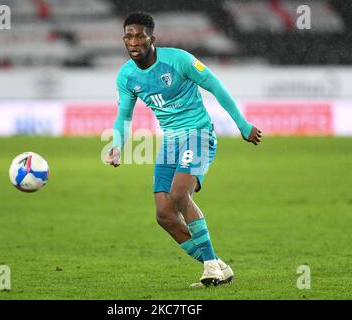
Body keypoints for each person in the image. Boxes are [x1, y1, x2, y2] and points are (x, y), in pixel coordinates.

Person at [105, 12, 262, 287]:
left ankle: (212, 265)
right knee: (164, 215)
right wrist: (117, 146)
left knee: (179, 193)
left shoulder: (178, 60)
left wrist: (243, 124)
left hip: (199, 134)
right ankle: (216, 266)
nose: (133, 42)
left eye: (139, 36)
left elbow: (216, 87)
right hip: (170, 141)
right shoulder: (126, 76)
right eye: (128, 36)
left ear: (151, 39)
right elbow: (124, 117)